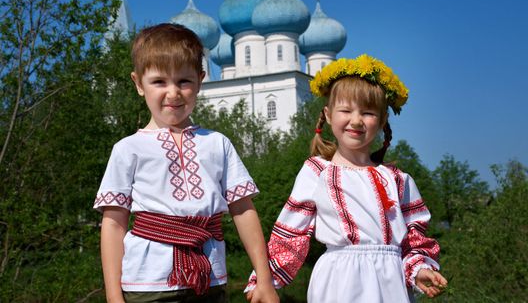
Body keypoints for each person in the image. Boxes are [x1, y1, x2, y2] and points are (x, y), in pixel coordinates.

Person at [94, 23, 279, 303]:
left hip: (210, 280)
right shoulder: (127, 149)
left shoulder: (218, 143)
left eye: (183, 81)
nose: (173, 93)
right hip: (148, 285)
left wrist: (264, 278)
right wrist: (113, 296)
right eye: (159, 82)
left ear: (200, 81)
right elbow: (114, 224)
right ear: (138, 84)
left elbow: (243, 210)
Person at [245, 55, 448, 302]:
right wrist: (264, 281)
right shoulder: (317, 172)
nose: (356, 120)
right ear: (329, 115)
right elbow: (291, 235)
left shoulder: (398, 180)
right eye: (346, 110)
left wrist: (419, 270)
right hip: (339, 281)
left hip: (390, 283)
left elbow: (414, 239)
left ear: (382, 120)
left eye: (368, 112)